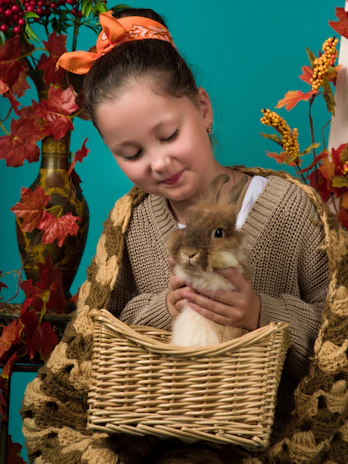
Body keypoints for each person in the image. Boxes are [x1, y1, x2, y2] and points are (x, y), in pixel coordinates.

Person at [21, 7, 331, 463]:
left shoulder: (292, 210)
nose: (158, 163)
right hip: (154, 440)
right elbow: (102, 335)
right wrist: (165, 309)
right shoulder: (133, 222)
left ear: (202, 109)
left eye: (169, 135)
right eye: (131, 153)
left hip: (268, 442)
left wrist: (260, 311)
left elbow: (336, 336)